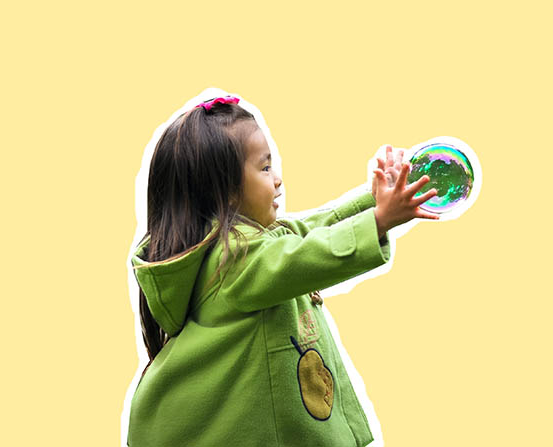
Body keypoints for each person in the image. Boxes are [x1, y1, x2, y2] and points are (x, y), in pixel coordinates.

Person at [127, 95, 439, 446]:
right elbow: (307, 254)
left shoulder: (248, 247)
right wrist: (380, 219)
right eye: (263, 168)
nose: (277, 179)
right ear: (227, 192)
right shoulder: (234, 262)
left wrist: (374, 200)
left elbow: (314, 229)